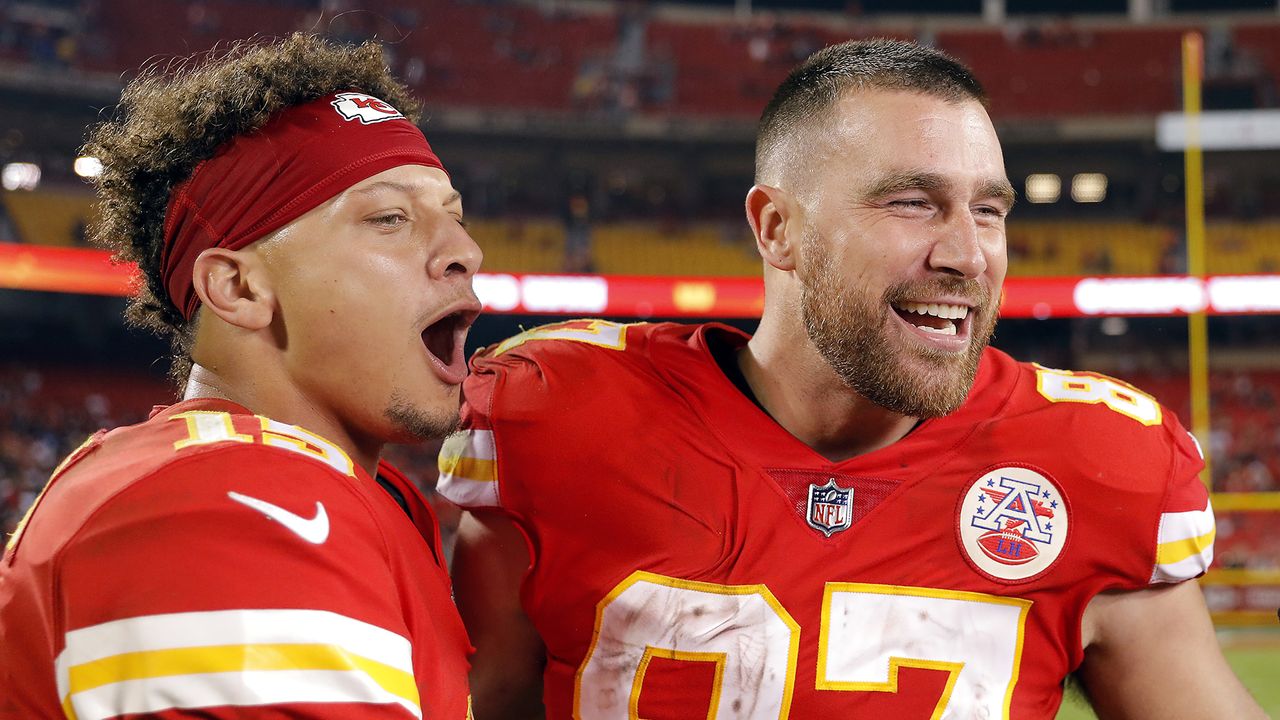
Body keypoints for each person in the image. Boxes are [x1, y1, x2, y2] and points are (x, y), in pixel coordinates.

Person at [436, 39, 1266, 719]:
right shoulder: (560, 419)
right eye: (912, 202)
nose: (967, 254)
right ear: (777, 229)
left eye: (989, 210)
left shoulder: (1096, 462)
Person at [0, 34, 482, 719]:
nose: (466, 251)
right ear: (239, 287)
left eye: (455, 218)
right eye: (390, 219)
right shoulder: (224, 503)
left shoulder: (353, 497)